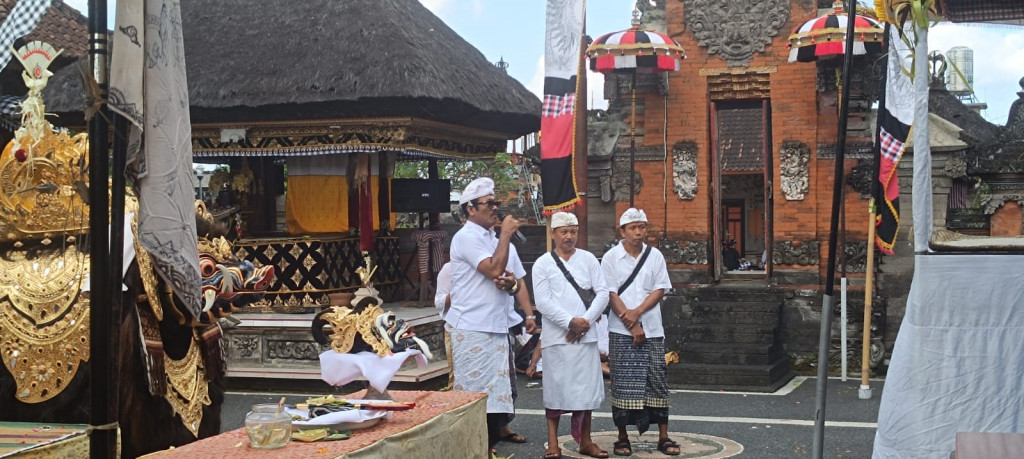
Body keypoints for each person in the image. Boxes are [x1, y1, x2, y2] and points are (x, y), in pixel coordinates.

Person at [445, 177, 529, 455]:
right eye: (488, 203)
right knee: (474, 394)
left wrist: (512, 285)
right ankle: (470, 448)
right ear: (470, 209)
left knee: (495, 397)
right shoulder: (466, 237)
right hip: (472, 326)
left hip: (496, 324)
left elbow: (509, 279)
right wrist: (505, 234)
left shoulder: (492, 238)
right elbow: (493, 270)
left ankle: (486, 447)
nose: (495, 208)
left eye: (496, 202)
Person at [602, 208, 679, 456]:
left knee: (657, 381)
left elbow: (660, 289)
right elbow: (610, 293)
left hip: (653, 328)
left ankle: (664, 436)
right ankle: (622, 437)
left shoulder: (654, 255)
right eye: (633, 228)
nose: (638, 232)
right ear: (622, 231)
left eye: (642, 227)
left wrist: (638, 312)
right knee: (623, 384)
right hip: (621, 329)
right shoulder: (611, 258)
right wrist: (631, 322)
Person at [532, 212, 610, 459]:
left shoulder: (588, 259)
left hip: (585, 338)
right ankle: (552, 442)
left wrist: (584, 322)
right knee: (556, 391)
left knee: (585, 392)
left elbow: (603, 293)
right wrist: (569, 322)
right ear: (553, 233)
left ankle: (586, 441)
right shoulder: (543, 263)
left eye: (573, 231)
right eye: (564, 231)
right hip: (557, 338)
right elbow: (542, 302)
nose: (569, 236)